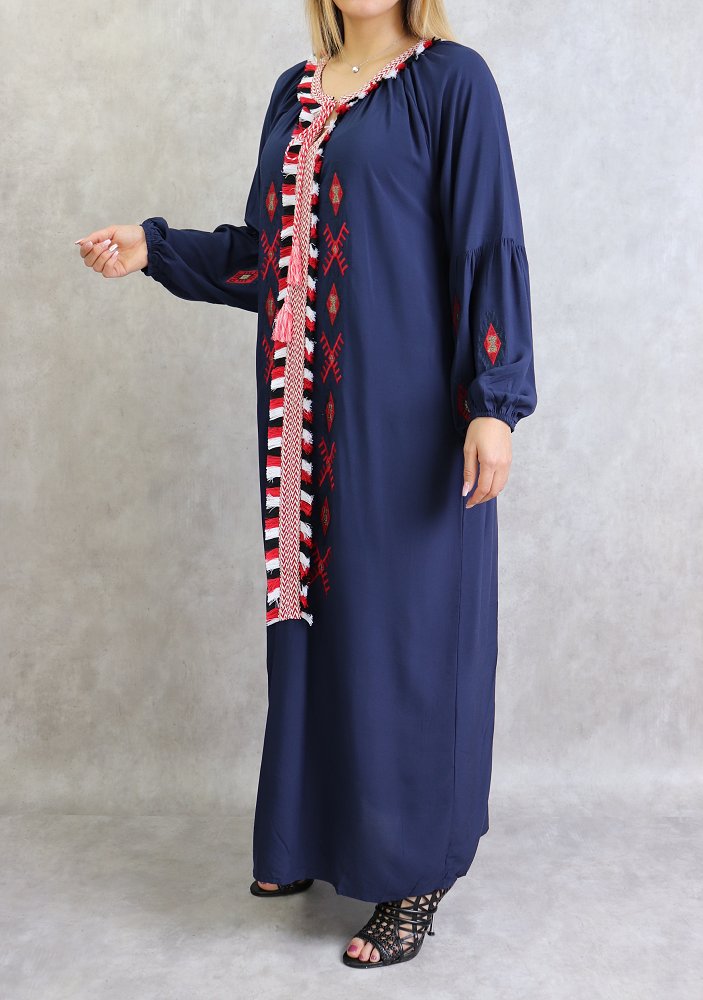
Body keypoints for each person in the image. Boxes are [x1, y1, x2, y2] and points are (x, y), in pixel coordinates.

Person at [74, 0, 537, 971]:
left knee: (405, 635)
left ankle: (414, 872)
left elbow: (486, 238)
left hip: (409, 420)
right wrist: (157, 248)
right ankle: (315, 837)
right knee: (323, 633)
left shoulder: (450, 83)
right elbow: (267, 259)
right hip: (304, 428)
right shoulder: (295, 94)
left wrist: (493, 401)